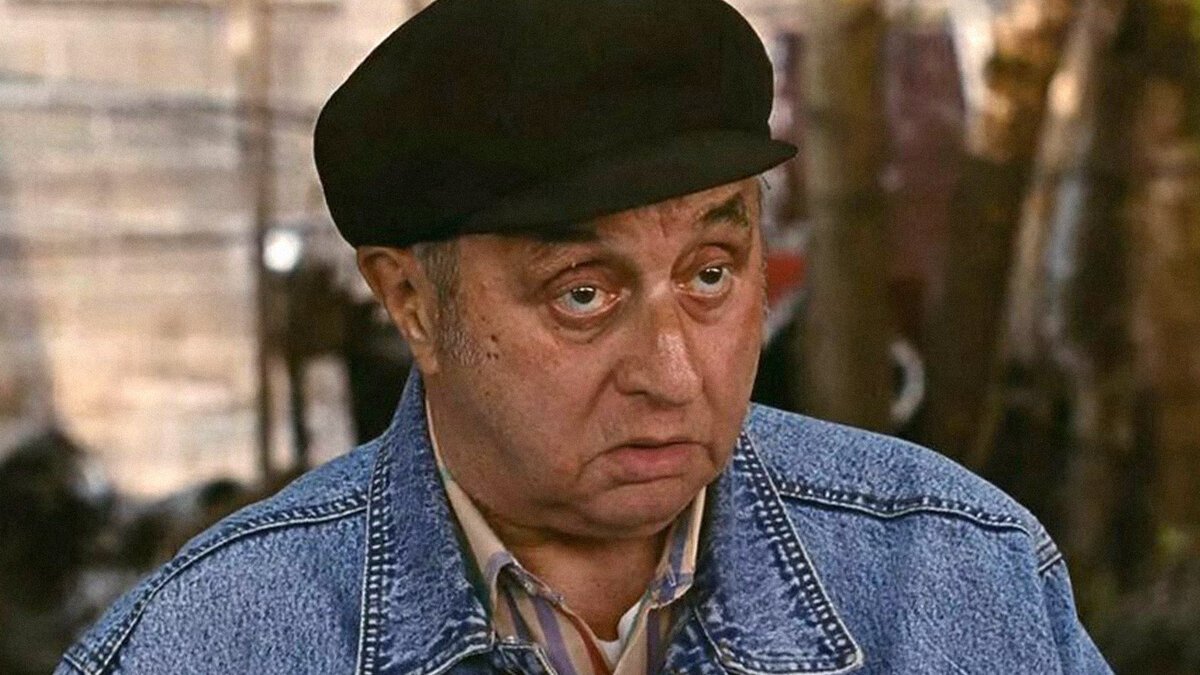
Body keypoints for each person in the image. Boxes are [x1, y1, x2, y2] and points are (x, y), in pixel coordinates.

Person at [57, 0, 1111, 673]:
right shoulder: (209, 644)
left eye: (710, 272)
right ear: (412, 303)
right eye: (583, 295)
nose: (671, 372)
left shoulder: (959, 580)